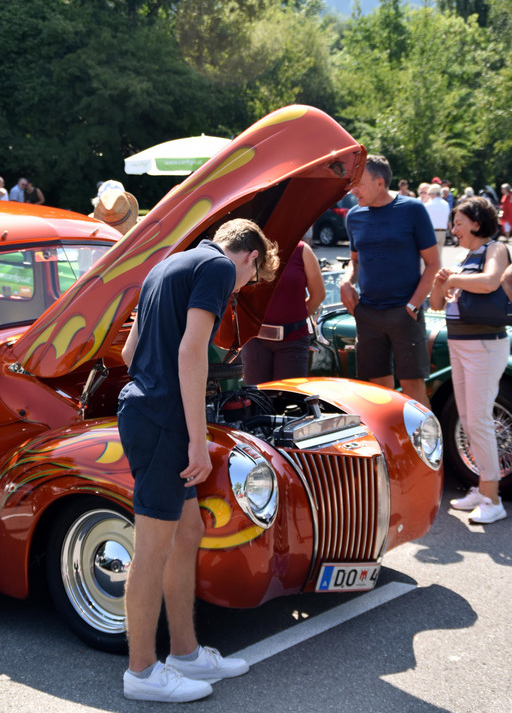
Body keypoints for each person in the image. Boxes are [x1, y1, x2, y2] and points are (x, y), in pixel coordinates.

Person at [118, 219, 279, 703]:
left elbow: (129, 351)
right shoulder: (218, 269)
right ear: (250, 256)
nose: (242, 288)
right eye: (252, 279)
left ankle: (185, 653)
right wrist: (195, 438)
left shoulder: (167, 264)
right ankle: (141, 672)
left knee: (186, 532)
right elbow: (192, 352)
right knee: (152, 547)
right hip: (164, 420)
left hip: (147, 410)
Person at [430, 197, 509, 524]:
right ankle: (483, 487)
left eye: (459, 223)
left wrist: (453, 279)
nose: (454, 229)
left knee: (477, 418)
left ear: (477, 223)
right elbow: (436, 304)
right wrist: (440, 281)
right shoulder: (464, 258)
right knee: (467, 418)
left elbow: (491, 281)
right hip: (461, 345)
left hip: (484, 346)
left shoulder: (496, 249)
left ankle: (492, 498)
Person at [339, 155, 439, 408]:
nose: (353, 190)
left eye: (359, 184)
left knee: (413, 390)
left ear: (380, 183)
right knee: (379, 392)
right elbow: (355, 261)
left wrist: (413, 306)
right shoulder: (353, 216)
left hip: (405, 312)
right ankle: (390, 437)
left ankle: (426, 436)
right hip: (368, 314)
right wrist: (346, 280)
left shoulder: (413, 209)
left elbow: (433, 264)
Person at [242, 240, 325, 384]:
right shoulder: (248, 247)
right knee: (257, 396)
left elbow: (318, 294)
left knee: (289, 396)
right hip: (255, 341)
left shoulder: (302, 250)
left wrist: (295, 319)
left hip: (293, 341)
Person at [425, 183, 450, 261]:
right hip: (442, 232)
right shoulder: (446, 204)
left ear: (433, 194)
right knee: (439, 257)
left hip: (432, 232)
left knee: (430, 259)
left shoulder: (428, 204)